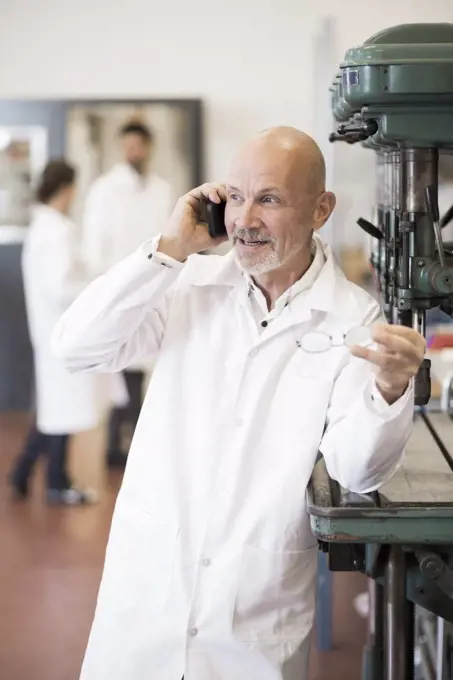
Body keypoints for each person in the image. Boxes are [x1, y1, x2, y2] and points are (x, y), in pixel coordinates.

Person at [52, 127, 425, 680]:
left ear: (321, 209)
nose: (244, 219)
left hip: (251, 622)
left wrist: (389, 390)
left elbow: (357, 469)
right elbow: (76, 348)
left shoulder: (353, 317)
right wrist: (169, 248)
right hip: (146, 604)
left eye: (269, 199)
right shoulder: (186, 283)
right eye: (235, 195)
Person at [81, 120, 174, 467]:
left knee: (142, 366)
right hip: (118, 286)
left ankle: (129, 442)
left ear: (148, 147)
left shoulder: (162, 189)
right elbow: (94, 243)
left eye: (139, 145)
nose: (134, 151)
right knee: (120, 366)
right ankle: (118, 444)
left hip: (155, 286)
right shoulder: (105, 190)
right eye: (128, 145)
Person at [9, 161, 99, 505]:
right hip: (62, 329)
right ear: (67, 189)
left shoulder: (43, 227)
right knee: (63, 409)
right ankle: (57, 483)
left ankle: (21, 474)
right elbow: (62, 286)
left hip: (48, 329)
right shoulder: (56, 229)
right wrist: (96, 287)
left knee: (54, 408)